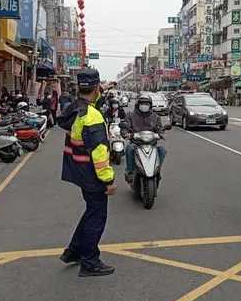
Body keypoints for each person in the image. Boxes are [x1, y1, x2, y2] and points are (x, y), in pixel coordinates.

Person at [56, 68, 117, 277]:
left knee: (90, 212)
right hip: (92, 174)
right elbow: (100, 153)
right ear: (95, 89)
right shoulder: (92, 117)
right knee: (96, 217)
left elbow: (89, 100)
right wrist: (108, 180)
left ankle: (74, 251)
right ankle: (89, 262)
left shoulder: (75, 107)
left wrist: (102, 88)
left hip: (78, 170)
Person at [120, 93, 166, 183]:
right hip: (136, 144)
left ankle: (157, 171)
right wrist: (125, 133)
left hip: (151, 144)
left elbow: (159, 128)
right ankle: (130, 171)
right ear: (138, 105)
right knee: (129, 148)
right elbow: (124, 127)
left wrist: (162, 133)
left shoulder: (155, 117)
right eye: (142, 104)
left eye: (146, 104)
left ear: (150, 105)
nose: (144, 106)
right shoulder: (131, 116)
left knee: (163, 150)